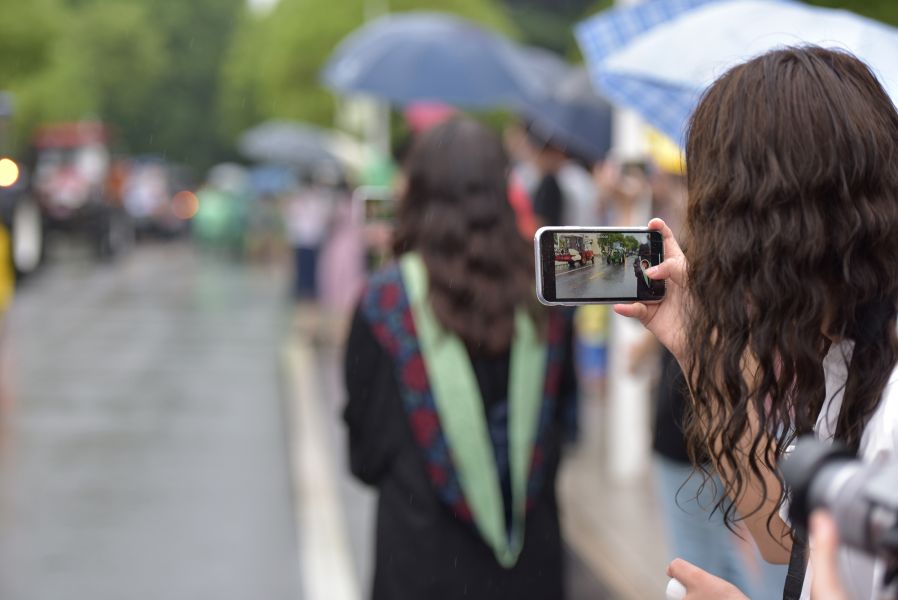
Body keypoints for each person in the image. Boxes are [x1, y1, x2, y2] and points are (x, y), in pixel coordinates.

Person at [616, 47, 898, 600]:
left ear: (768, 228)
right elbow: (785, 539)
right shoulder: (846, 346)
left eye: (717, 212)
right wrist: (693, 347)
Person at [343, 118, 576, 600]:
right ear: (501, 190)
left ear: (419, 193)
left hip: (419, 563)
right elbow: (567, 426)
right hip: (529, 567)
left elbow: (364, 457)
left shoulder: (385, 303)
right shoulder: (546, 296)